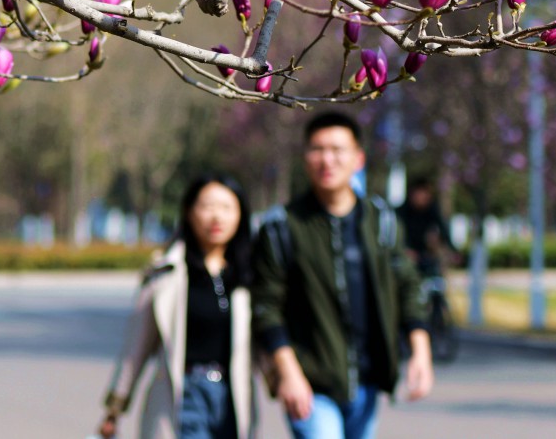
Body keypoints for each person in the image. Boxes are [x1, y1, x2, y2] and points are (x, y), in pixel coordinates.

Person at [253, 112, 434, 439]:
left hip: (367, 381)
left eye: (337, 150)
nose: (327, 159)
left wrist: (420, 350)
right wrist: (288, 373)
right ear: (305, 157)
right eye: (317, 149)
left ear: (358, 159)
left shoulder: (381, 220)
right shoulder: (281, 226)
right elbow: (266, 306)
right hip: (310, 383)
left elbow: (407, 285)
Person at [98, 175, 255, 439]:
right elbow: (135, 348)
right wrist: (115, 407)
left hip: (234, 396)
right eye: (207, 206)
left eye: (227, 208)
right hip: (183, 393)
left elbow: (264, 344)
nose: (217, 217)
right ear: (189, 212)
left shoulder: (248, 276)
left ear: (241, 216)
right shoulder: (165, 274)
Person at [395, 177, 455, 279]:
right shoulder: (401, 212)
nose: (426, 197)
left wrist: (452, 249)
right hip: (406, 256)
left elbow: (443, 229)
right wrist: (406, 250)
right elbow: (398, 237)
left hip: (424, 255)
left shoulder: (431, 210)